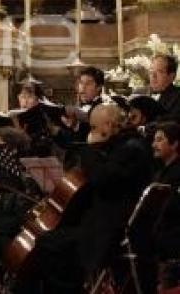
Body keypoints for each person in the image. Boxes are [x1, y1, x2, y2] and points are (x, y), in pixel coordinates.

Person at [15, 104, 153, 293]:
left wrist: (90, 148)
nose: (92, 132)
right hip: (103, 222)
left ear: (109, 125)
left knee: (49, 244)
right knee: (49, 237)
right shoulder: (123, 145)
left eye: (94, 127)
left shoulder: (132, 148)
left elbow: (101, 179)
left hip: (110, 230)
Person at [152, 122, 180, 266]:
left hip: (173, 244)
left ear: (174, 144)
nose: (153, 145)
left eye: (159, 140)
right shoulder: (160, 172)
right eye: (154, 140)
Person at [150, 54, 180, 119]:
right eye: (151, 71)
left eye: (159, 72)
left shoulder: (177, 97)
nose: (153, 76)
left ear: (171, 76)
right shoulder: (142, 93)